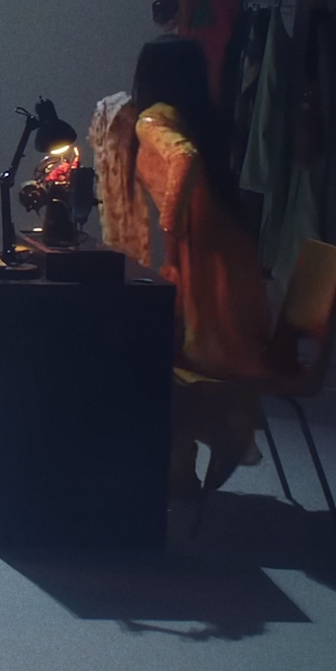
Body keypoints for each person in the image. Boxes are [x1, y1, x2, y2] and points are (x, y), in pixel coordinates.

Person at [124, 35, 283, 496]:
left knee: (163, 356)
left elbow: (184, 157)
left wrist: (172, 223)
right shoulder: (193, 117)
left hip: (203, 257)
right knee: (177, 354)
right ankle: (184, 463)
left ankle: (196, 452)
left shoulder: (152, 119)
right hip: (224, 250)